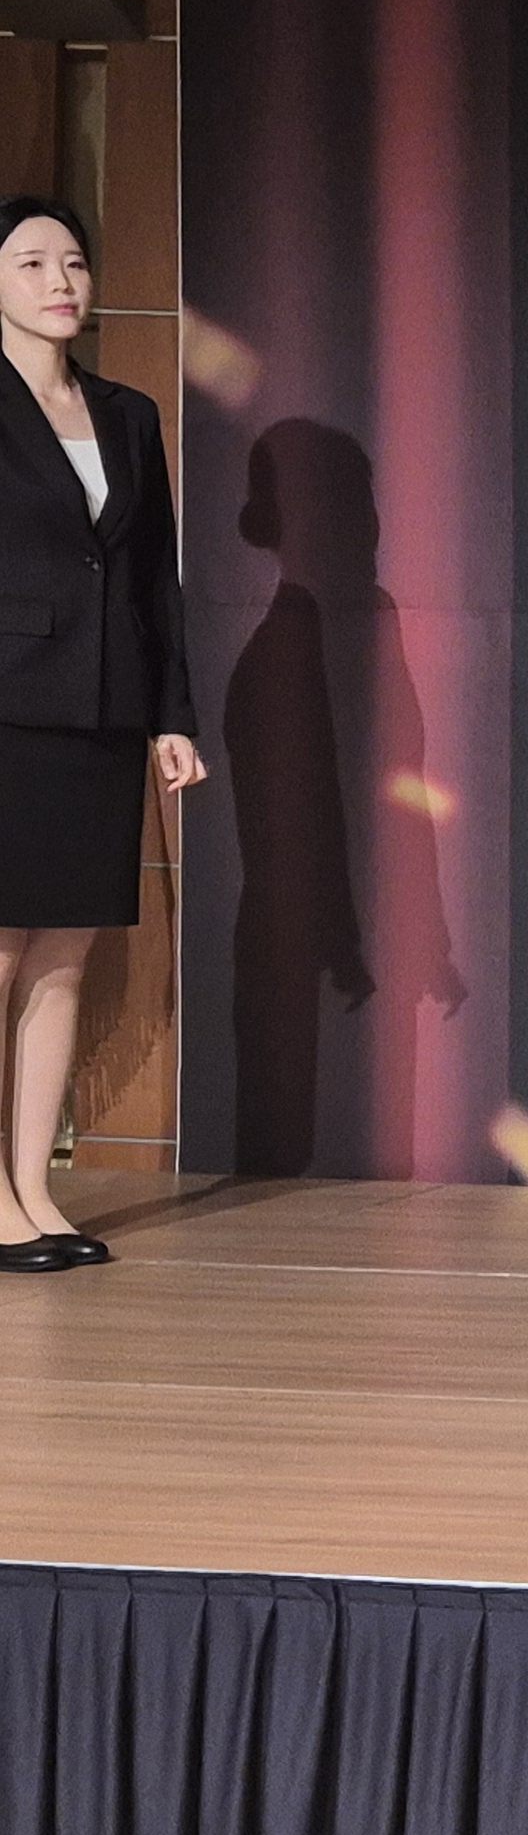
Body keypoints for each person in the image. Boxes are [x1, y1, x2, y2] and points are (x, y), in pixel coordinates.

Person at [0, 197, 208, 1270]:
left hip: (103, 709)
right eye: (31, 262)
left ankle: (34, 1191)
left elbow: (151, 579)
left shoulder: (126, 412)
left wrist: (171, 715)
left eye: (73, 262)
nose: (59, 281)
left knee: (64, 956)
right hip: (5, 704)